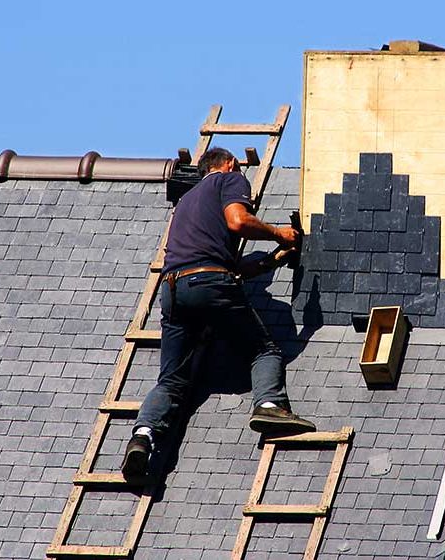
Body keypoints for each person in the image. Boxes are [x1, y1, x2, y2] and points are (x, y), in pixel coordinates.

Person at [121, 147, 315, 479]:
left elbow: (228, 265)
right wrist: (280, 232)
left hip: (173, 289)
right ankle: (269, 406)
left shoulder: (186, 202)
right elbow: (238, 221)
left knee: (171, 380)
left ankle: (143, 435)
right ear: (228, 164)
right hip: (209, 282)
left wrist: (275, 258)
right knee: (264, 349)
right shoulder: (229, 178)